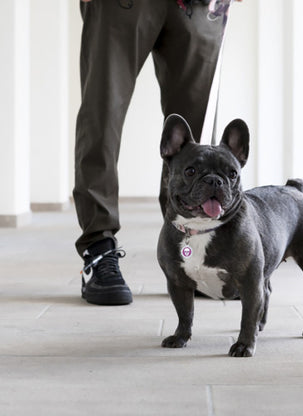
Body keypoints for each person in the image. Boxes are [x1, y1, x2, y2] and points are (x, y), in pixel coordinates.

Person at [74, 0, 241, 306]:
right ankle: (98, 248)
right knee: (102, 116)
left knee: (197, 135)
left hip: (199, 6)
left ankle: (192, 256)